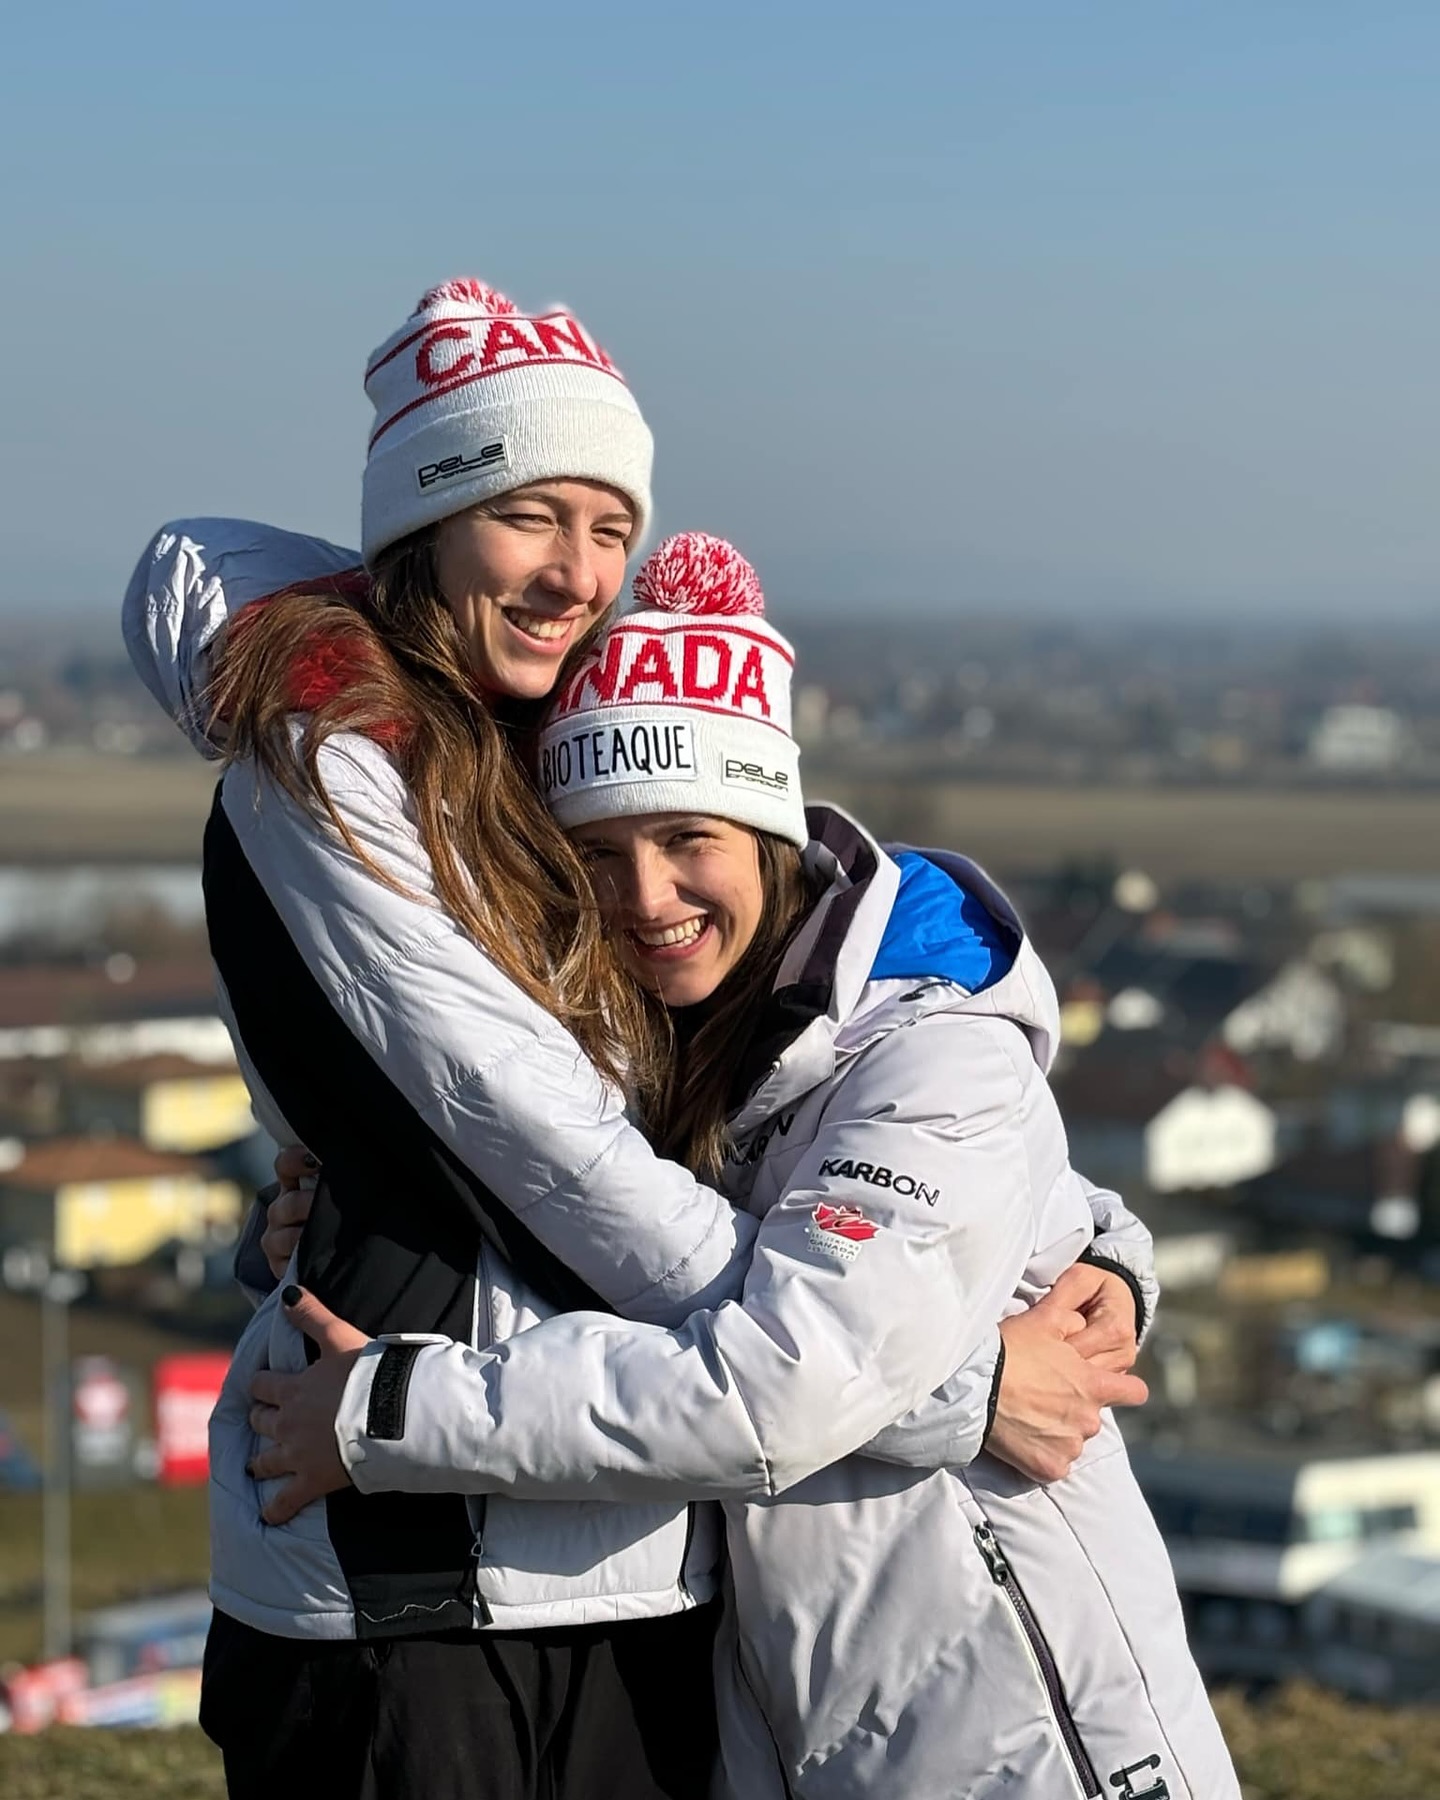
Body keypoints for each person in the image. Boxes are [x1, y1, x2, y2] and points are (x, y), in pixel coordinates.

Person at [122, 281, 1156, 1800]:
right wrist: (945, 1383)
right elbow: (536, 1138)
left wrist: (1097, 1249)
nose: (575, 575)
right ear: (423, 521)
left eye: (609, 532)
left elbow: (788, 1113)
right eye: (528, 517)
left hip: (636, 1562)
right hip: (412, 1576)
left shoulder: (536, 777)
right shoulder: (338, 759)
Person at [241, 534, 1241, 1799]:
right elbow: (958, 1230)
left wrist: (394, 1415)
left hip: (1031, 1736)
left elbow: (781, 1387)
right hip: (816, 1726)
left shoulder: (930, 1052)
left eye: (688, 838)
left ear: (768, 827)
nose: (647, 895)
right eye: (595, 856)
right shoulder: (687, 1043)